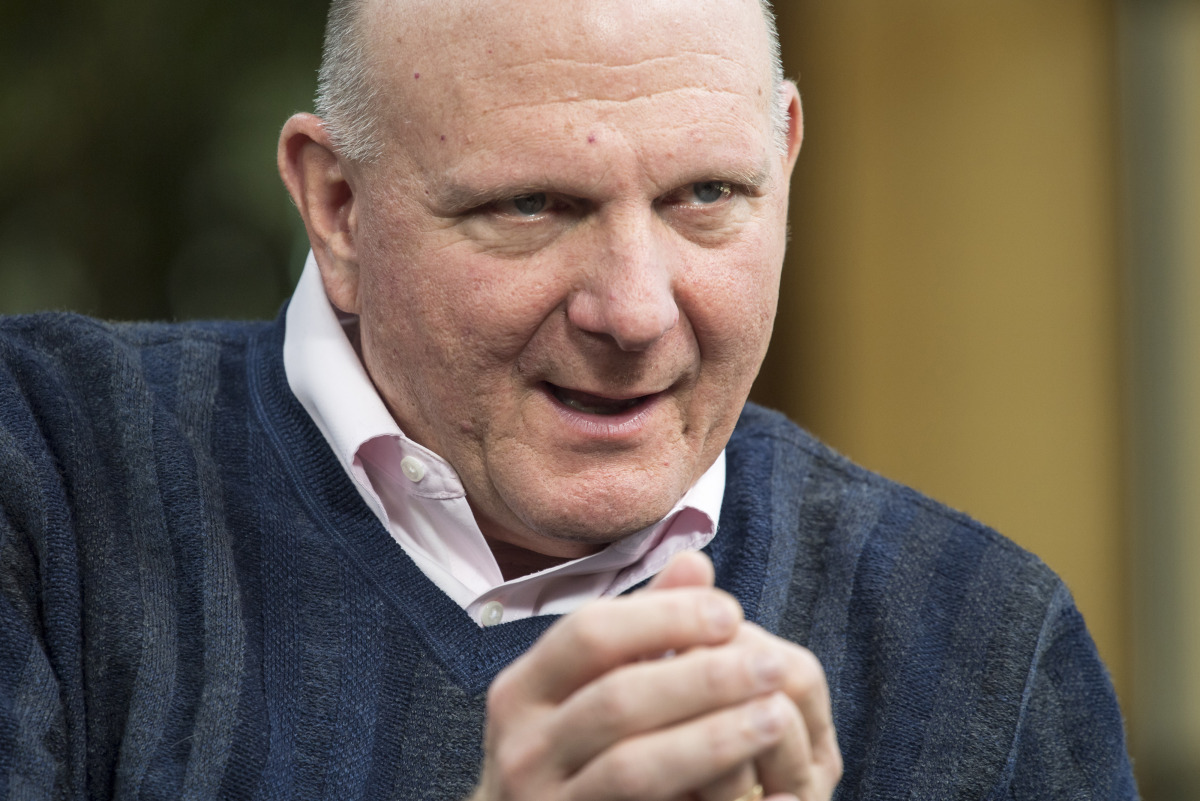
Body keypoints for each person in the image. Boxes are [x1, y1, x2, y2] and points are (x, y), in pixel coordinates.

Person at [0, 0, 1137, 799]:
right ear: (339, 204)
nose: (635, 312)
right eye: (535, 205)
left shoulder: (981, 647)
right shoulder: (47, 485)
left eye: (706, 194)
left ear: (783, 163)